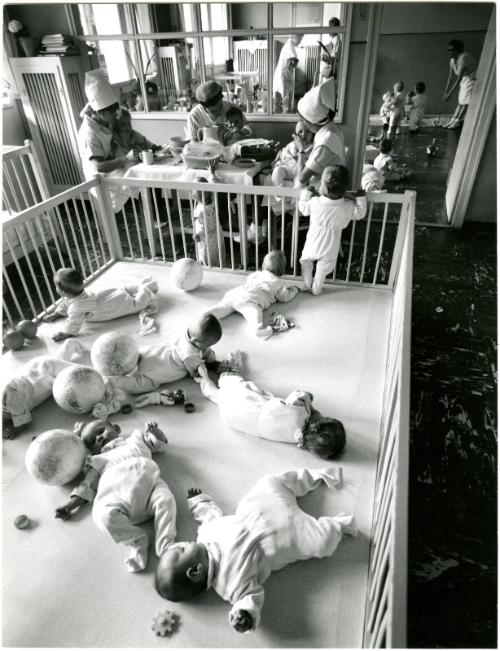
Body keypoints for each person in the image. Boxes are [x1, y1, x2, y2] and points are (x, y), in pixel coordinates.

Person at [155, 467, 357, 632]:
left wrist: (198, 502)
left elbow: (210, 515)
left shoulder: (205, 535)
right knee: (320, 542)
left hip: (258, 509)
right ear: (196, 571)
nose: (182, 543)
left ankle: (316, 476)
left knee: (269, 482)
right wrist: (244, 615)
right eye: (180, 550)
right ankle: (339, 526)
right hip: (282, 537)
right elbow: (250, 598)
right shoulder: (228, 584)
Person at [55, 419, 177, 574]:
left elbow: (159, 444)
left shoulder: (136, 439)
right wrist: (69, 506)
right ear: (92, 450)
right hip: (118, 501)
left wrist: (154, 432)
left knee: (166, 500)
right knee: (102, 516)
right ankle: (136, 540)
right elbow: (87, 486)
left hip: (151, 487)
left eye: (101, 431)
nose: (98, 438)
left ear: (116, 428)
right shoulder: (97, 460)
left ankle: (165, 544)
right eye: (93, 441)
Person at [196, 352, 346, 458]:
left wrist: (309, 402)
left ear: (319, 421)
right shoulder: (298, 441)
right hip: (233, 419)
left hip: (249, 405)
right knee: (223, 399)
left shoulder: (301, 412)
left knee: (237, 384)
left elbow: (299, 395)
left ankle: (225, 372)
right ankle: (206, 383)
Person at [103, 313, 223, 396]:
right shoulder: (190, 355)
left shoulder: (188, 335)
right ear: (194, 342)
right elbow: (196, 372)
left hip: (151, 352)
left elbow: (206, 352)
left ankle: (124, 361)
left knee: (136, 357)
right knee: (141, 385)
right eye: (208, 344)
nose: (209, 347)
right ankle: (114, 380)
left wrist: (211, 359)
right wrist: (207, 369)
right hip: (159, 368)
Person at [299, 165, 367, 295]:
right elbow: (360, 214)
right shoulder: (347, 206)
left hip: (313, 241)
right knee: (323, 268)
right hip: (331, 246)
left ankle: (307, 283)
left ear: (324, 187)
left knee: (305, 260)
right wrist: (360, 198)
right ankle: (316, 288)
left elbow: (302, 207)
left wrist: (306, 192)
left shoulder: (315, 202)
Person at [42, 267, 159, 342]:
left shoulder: (77, 307)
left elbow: (74, 322)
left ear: (63, 292)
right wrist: (57, 314)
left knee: (137, 304)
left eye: (56, 286)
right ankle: (139, 285)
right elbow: (65, 304)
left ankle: (146, 289)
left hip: (112, 306)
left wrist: (65, 333)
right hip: (109, 297)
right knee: (124, 290)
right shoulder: (78, 294)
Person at [78, 69, 138, 213]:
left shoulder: (104, 120)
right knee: (108, 217)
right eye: (112, 113)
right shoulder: (89, 133)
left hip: (113, 166)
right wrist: (125, 158)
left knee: (139, 173)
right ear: (99, 112)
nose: (115, 116)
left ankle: (148, 221)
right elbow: (98, 166)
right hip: (100, 177)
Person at [2, 339, 84, 439]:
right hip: (37, 375)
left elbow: (22, 419)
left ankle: (104, 377)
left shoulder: (6, 397)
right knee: (59, 360)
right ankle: (69, 346)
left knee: (79, 374)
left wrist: (15, 429)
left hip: (46, 369)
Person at [208, 250, 300, 338]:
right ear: (282, 271)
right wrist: (295, 289)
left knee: (220, 309)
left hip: (235, 294)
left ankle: (204, 317)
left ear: (263, 265)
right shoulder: (277, 283)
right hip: (250, 302)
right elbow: (285, 297)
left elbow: (250, 281)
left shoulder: (255, 274)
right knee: (256, 321)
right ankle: (259, 331)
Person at [295, 76, 345, 188]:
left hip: (322, 195)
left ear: (311, 121)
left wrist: (301, 150)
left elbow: (301, 178)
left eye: (303, 119)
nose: (302, 122)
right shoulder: (330, 129)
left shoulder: (327, 140)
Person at [192, 178, 227, 268]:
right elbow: (213, 184)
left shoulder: (204, 211)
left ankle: (210, 272)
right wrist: (212, 174)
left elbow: (209, 227)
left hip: (208, 240)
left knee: (209, 259)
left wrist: (199, 235)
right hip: (216, 236)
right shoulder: (213, 198)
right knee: (218, 256)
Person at [443, 39, 477, 129]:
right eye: (448, 50)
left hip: (472, 78)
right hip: (465, 78)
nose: (449, 52)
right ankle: (453, 120)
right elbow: (450, 77)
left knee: (465, 102)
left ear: (457, 50)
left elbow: (458, 79)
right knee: (460, 101)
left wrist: (449, 94)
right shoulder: (452, 60)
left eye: (451, 50)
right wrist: (446, 92)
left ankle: (458, 121)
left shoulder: (464, 57)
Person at [271, 119, 314, 187]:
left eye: (308, 131)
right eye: (300, 131)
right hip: (288, 169)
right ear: (295, 134)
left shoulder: (312, 147)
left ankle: (295, 197)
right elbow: (281, 152)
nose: (304, 134)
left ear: (313, 134)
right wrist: (276, 160)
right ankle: (279, 193)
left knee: (300, 183)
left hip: (300, 172)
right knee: (277, 171)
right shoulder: (292, 144)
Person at [273, 35, 302, 113]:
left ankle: (284, 111)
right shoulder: (290, 44)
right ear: (295, 37)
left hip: (284, 74)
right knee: (284, 97)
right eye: (300, 37)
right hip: (283, 74)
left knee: (282, 97)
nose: (301, 40)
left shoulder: (289, 45)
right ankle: (284, 114)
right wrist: (295, 63)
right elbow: (293, 60)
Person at [318, 17, 342, 86]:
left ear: (334, 28)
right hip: (327, 70)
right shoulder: (332, 40)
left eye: (330, 27)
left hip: (331, 72)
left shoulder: (337, 41)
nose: (328, 29)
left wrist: (324, 58)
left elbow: (333, 60)